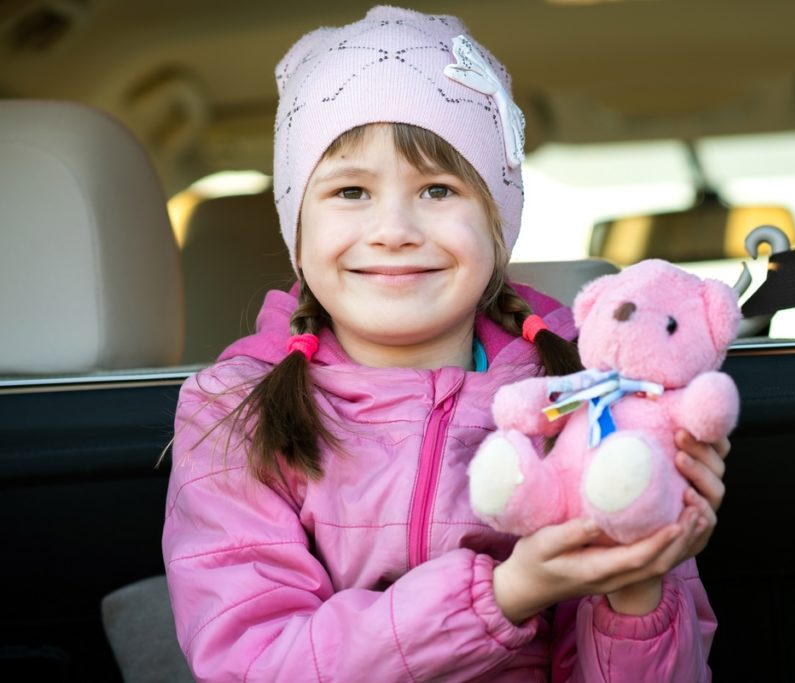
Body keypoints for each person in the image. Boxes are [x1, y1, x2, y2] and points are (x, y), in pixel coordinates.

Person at [162, 6, 728, 681]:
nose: (394, 228)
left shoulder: (590, 396)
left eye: (437, 188)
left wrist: (635, 579)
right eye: (350, 191)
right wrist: (505, 592)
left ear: (497, 226)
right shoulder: (232, 412)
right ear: (298, 229)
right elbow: (254, 664)